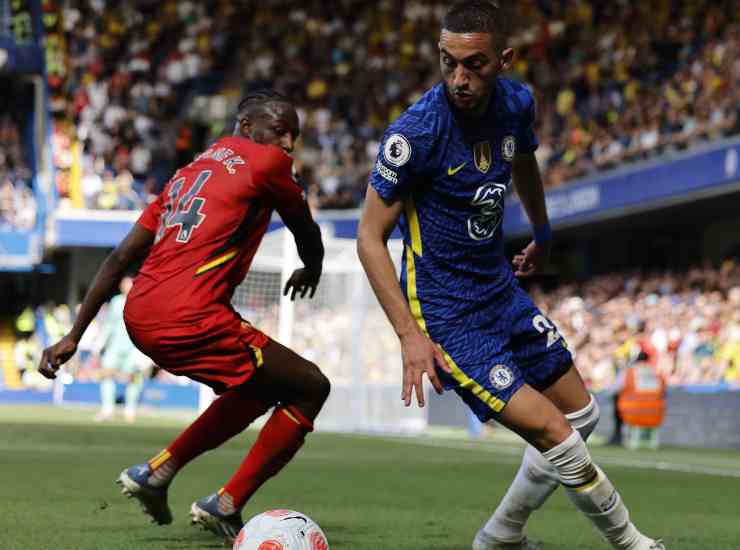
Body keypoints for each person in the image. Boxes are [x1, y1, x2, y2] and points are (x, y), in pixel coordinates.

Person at [357, 2, 664, 549]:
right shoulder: (416, 134)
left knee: (584, 413)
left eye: (473, 64)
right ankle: (635, 544)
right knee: (558, 434)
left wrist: (542, 233)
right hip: (449, 314)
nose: (459, 79)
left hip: (499, 288)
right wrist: (410, 334)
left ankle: (501, 535)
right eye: (448, 62)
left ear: (504, 60)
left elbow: (523, 161)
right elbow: (368, 238)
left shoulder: (518, 103)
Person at [38, 89, 329, 541]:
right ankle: (226, 503)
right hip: (190, 315)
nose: (289, 144)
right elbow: (305, 229)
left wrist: (75, 334)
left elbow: (120, 258)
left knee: (259, 388)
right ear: (248, 127)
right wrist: (312, 264)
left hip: (142, 315)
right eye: (281, 131)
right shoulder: (267, 163)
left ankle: (157, 473)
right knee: (311, 387)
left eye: (295, 136)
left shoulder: (186, 175)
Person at [94, 276, 151, 423]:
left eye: (129, 284)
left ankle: (130, 410)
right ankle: (108, 409)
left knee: (134, 378)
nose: (126, 286)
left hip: (134, 347)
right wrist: (100, 343)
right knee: (106, 374)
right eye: (124, 284)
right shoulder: (116, 301)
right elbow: (109, 325)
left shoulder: (141, 302)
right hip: (115, 346)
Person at [616, 354, 667, 450]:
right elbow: (664, 389)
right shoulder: (656, 372)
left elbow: (619, 387)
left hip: (634, 413)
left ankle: (627, 440)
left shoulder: (630, 372)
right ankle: (652, 443)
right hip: (655, 413)